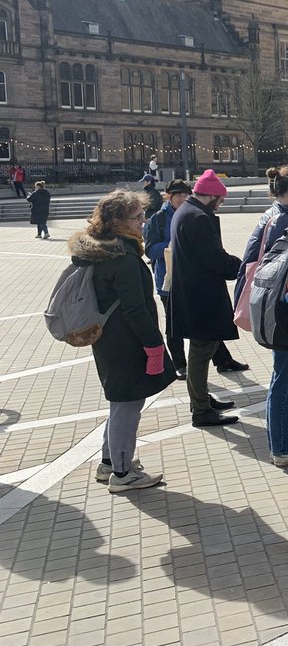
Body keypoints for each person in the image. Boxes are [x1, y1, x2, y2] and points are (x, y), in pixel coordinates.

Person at [69, 190, 176, 491]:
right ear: (117, 221)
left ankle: (109, 463)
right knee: (128, 405)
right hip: (126, 342)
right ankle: (123, 473)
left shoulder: (105, 249)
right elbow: (135, 309)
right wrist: (154, 345)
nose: (143, 222)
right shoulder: (123, 257)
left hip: (110, 340)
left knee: (120, 403)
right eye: (137, 218)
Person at [235, 164, 288, 466]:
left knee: (287, 373)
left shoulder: (272, 213)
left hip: (271, 304)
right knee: (286, 377)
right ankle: (281, 447)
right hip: (282, 307)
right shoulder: (283, 219)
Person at [168, 170, 242, 428]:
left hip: (195, 291)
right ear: (210, 195)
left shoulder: (186, 212)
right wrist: (240, 267)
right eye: (219, 199)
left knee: (204, 349)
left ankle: (201, 400)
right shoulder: (197, 217)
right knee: (200, 352)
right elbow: (214, 258)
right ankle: (200, 409)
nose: (220, 204)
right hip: (200, 295)